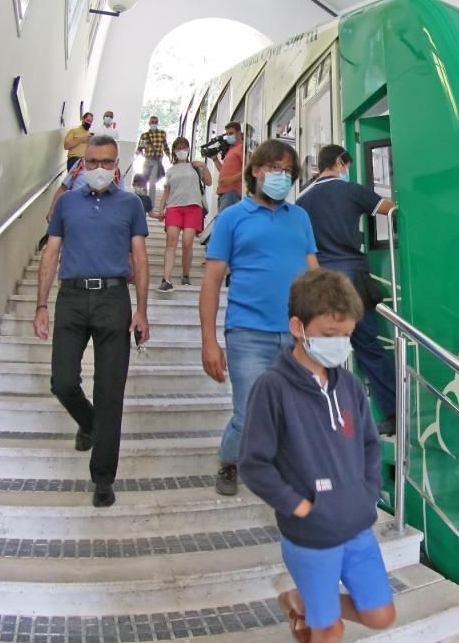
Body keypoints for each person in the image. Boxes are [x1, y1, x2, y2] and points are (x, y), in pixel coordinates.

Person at [239, 269, 396, 643]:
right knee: (328, 631)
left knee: (381, 615)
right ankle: (314, 609)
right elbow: (253, 463)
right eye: (328, 334)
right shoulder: (271, 388)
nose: (339, 344)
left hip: (357, 527)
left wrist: (368, 493)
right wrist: (300, 506)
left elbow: (369, 445)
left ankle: (300, 600)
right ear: (298, 327)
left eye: (345, 335)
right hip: (310, 539)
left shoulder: (350, 386)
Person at [33, 135, 149, 508]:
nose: (100, 169)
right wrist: (40, 305)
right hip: (71, 297)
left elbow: (141, 259)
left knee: (110, 391)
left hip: (113, 299)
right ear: (82, 163)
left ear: (118, 165)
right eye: (93, 162)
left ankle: (103, 477)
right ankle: (89, 422)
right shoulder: (67, 203)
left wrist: (142, 310)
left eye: (107, 162)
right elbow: (51, 254)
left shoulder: (131, 204)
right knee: (63, 381)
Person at [200, 139, 318, 496]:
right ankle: (230, 460)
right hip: (248, 333)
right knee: (249, 412)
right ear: (255, 170)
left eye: (287, 171)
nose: (281, 176)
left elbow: (315, 274)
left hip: (297, 336)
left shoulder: (300, 217)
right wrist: (209, 342)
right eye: (274, 168)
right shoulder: (232, 217)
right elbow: (211, 282)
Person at [296, 144, 397, 434]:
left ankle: (321, 417)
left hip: (319, 278)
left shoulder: (304, 202)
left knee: (321, 347)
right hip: (351, 276)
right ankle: (393, 413)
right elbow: (389, 211)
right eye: (346, 164)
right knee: (368, 345)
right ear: (340, 162)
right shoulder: (352, 191)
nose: (346, 169)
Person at [153, 137, 211, 291]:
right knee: (171, 242)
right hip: (174, 207)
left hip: (193, 207)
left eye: (184, 147)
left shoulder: (195, 166)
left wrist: (204, 167)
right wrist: (161, 209)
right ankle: (166, 279)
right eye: (178, 148)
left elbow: (209, 182)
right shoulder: (170, 170)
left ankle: (186, 275)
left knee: (187, 242)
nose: (181, 150)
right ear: (173, 150)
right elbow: (166, 191)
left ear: (189, 149)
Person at [136, 115, 171, 206]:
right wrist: (137, 152)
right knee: (143, 182)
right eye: (152, 122)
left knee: (152, 183)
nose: (154, 124)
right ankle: (142, 201)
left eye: (156, 122)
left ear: (158, 123)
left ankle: (150, 204)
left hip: (157, 161)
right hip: (147, 161)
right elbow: (140, 147)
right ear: (149, 123)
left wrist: (170, 156)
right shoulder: (144, 135)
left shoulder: (162, 133)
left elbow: (165, 147)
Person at [212, 121, 244, 212]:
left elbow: (248, 169)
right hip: (222, 193)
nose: (229, 136)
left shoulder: (242, 148)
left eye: (231, 133)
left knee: (225, 223)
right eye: (227, 134)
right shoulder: (231, 149)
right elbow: (223, 171)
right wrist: (215, 160)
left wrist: (231, 179)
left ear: (238, 133)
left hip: (232, 193)